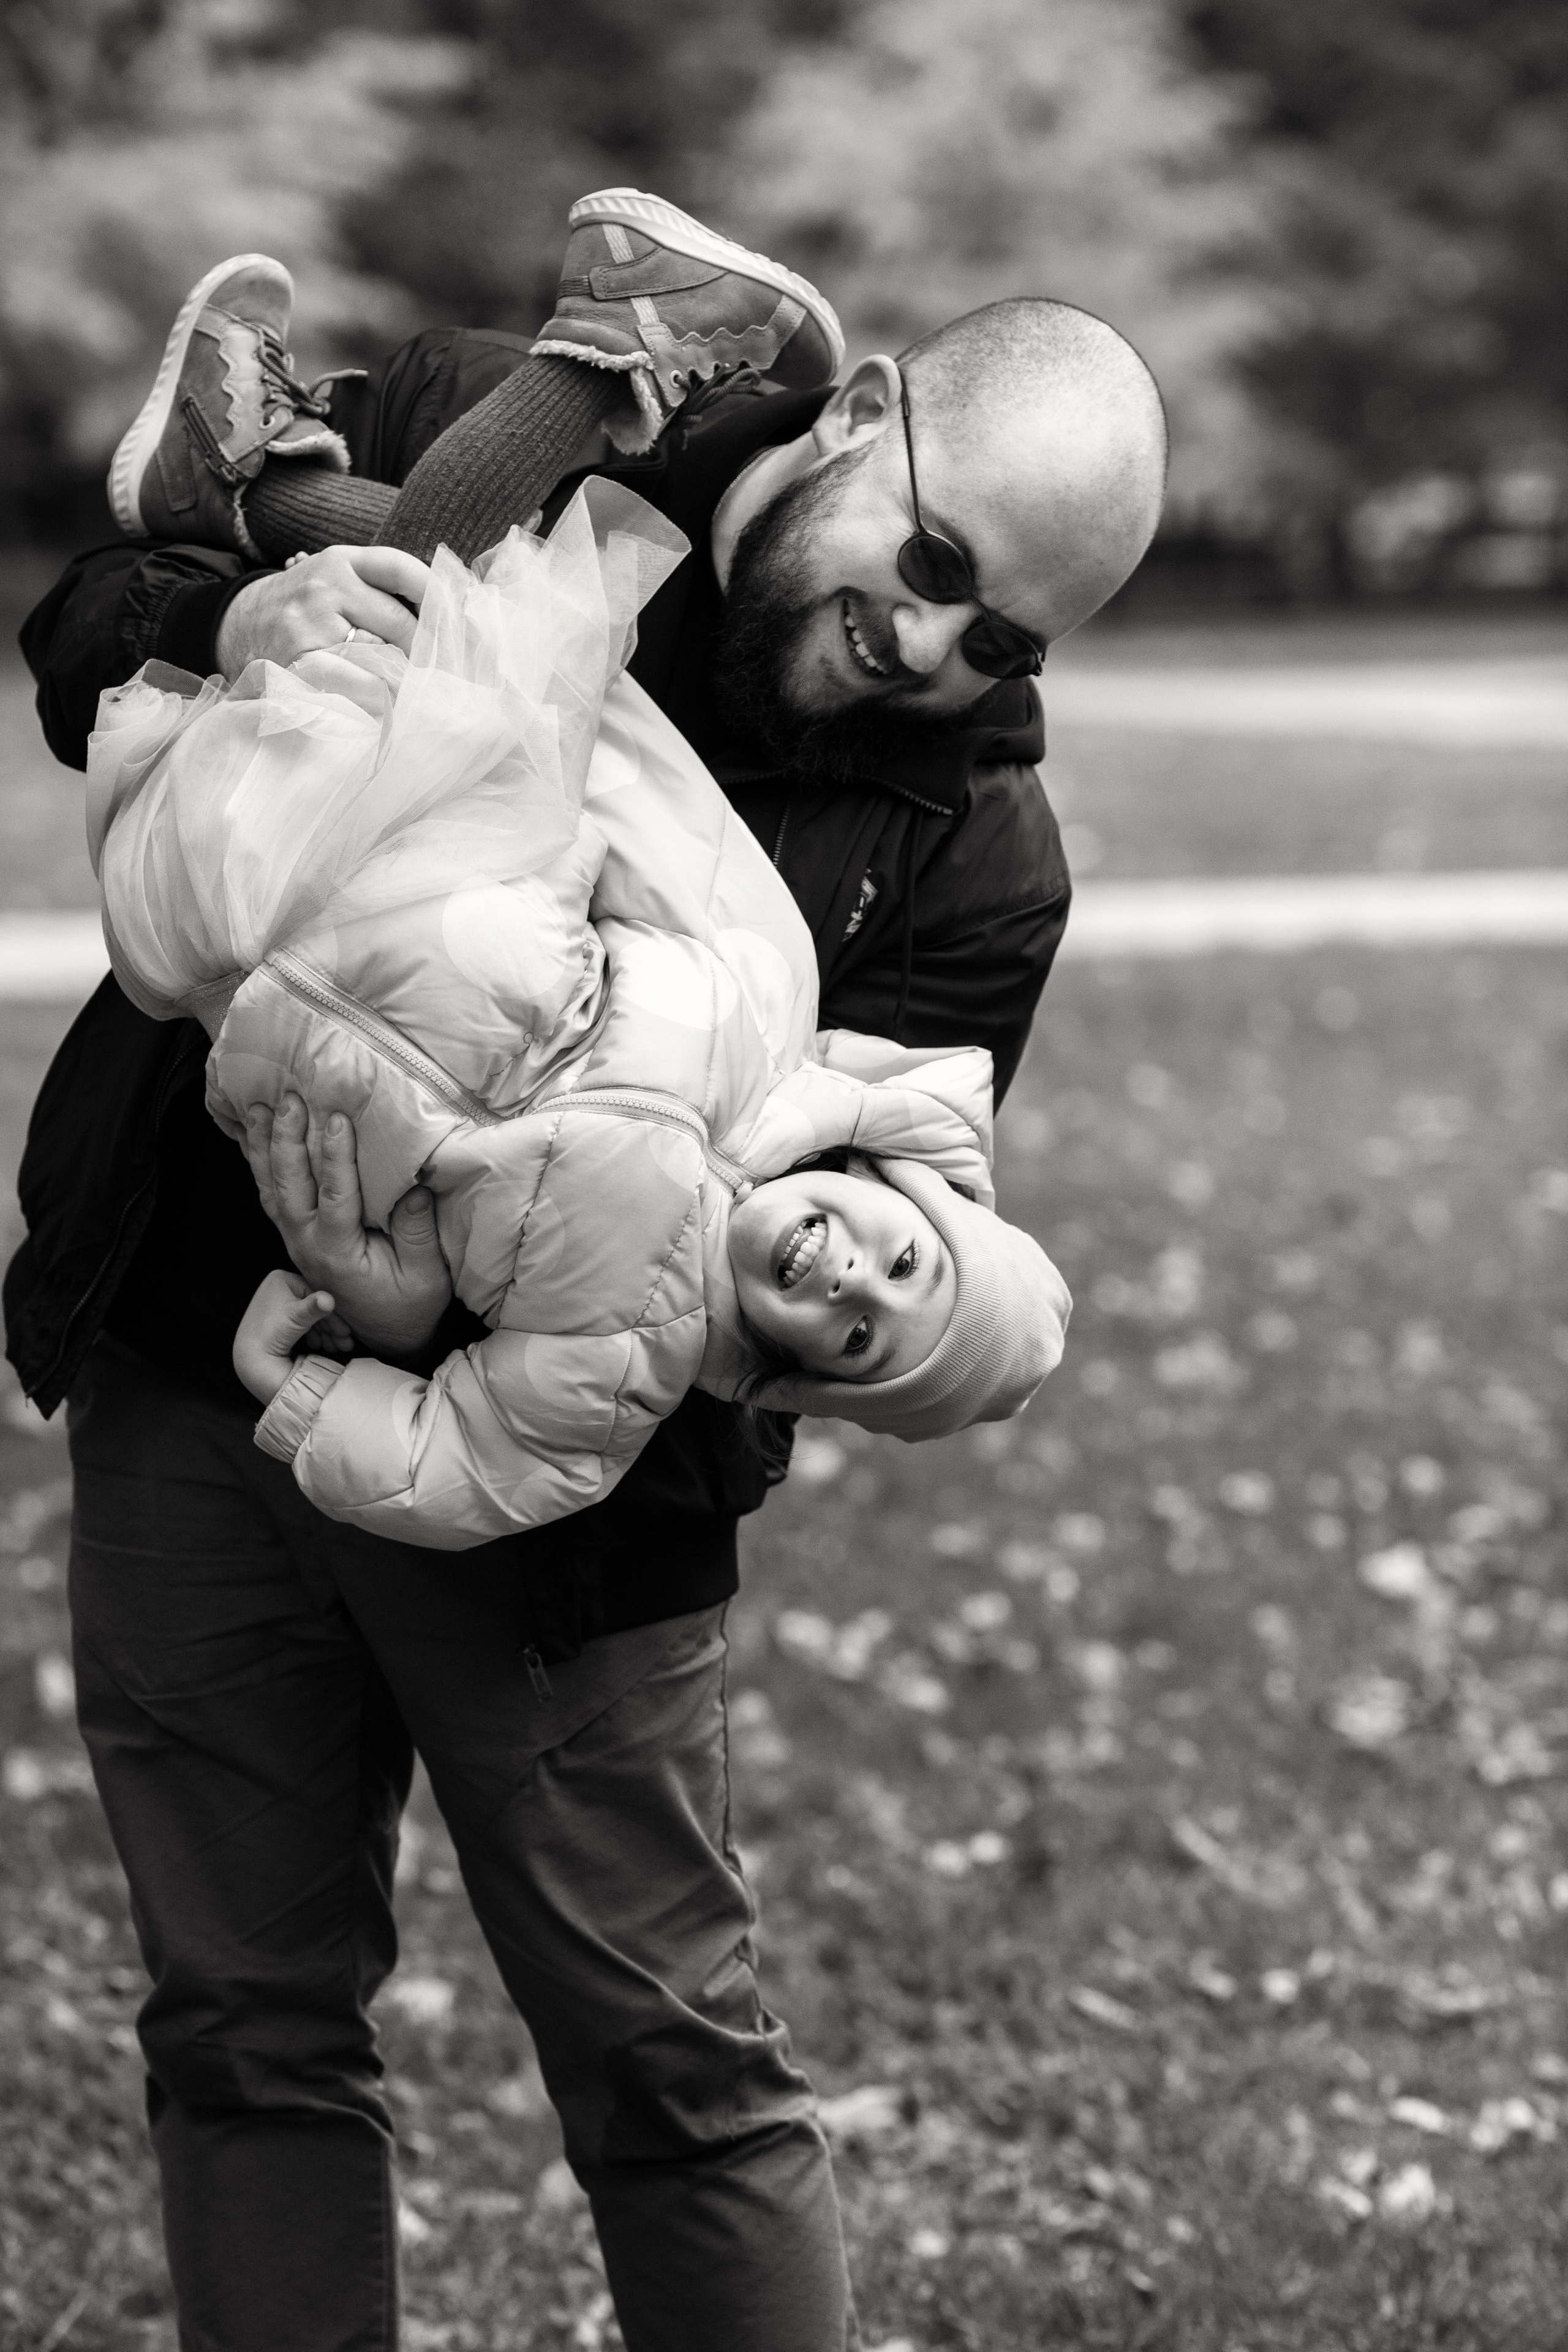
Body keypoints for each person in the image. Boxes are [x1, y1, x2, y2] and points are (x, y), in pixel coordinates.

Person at [5, 187, 1166, 2352]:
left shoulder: (975, 857)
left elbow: (843, 1252)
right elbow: (96, 609)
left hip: (557, 1511)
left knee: (672, 2073)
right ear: (869, 413)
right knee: (243, 2028)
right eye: (936, 568)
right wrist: (229, 621)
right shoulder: (508, 429)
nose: (935, 651)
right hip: (200, 1369)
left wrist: (458, 1294)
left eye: (1007, 639)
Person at [90, 460, 1069, 1542]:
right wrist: (527, 671)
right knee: (416, 596)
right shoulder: (767, 1011)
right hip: (391, 831)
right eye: (905, 1262)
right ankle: (340, 448)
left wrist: (303, 1377)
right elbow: (647, 807)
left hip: (223, 951)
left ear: (808, 1380)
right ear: (908, 1193)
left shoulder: (617, 1372)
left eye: (862, 1340)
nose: (853, 1282)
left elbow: (461, 1472)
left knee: (196, 814)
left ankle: (258, 478)